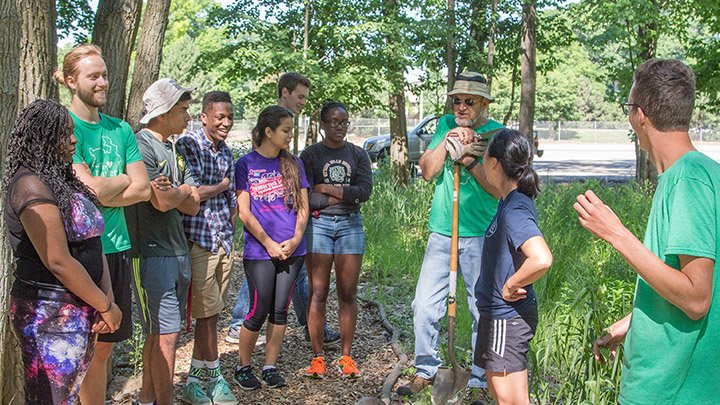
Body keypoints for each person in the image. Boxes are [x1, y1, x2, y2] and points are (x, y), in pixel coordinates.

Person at [575, 59, 720, 404]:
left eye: (628, 107)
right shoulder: (705, 173)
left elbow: (698, 298)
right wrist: (632, 322)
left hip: (670, 390)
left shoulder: (688, 181)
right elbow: (692, 282)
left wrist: (616, 233)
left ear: (639, 115)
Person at [3, 100, 122, 404]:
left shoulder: (64, 181)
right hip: (49, 313)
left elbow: (94, 241)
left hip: (82, 310)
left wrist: (104, 300)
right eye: (63, 134)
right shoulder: (30, 186)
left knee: (68, 397)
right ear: (40, 137)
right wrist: (105, 307)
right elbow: (57, 260)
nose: (73, 140)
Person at [54, 43, 151, 404]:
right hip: (82, 253)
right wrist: (120, 182)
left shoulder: (120, 129)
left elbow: (142, 189)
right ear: (70, 81)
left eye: (104, 75)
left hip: (118, 246)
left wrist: (108, 187)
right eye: (93, 75)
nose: (102, 82)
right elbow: (88, 189)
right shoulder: (64, 127)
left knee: (106, 345)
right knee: (83, 347)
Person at [398, 72, 503, 396]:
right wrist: (448, 141)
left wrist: (469, 161)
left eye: (468, 101)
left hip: (479, 234)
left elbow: (499, 189)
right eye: (456, 100)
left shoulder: (497, 134)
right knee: (424, 305)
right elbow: (428, 172)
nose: (460, 106)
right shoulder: (444, 125)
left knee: (479, 307)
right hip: (443, 232)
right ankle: (426, 368)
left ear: (483, 103)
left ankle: (477, 377)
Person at [228, 72, 340, 345]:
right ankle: (241, 320)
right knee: (264, 273)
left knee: (295, 272)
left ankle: (310, 325)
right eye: (300, 96)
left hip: (290, 218)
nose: (303, 102)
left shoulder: (290, 125)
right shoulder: (271, 123)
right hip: (268, 222)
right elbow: (257, 169)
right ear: (285, 92)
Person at [131, 78, 200, 405]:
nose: (188, 116)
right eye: (182, 109)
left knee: (159, 336)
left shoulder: (177, 147)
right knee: (166, 337)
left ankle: (145, 400)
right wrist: (177, 193)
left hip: (178, 250)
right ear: (161, 113)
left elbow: (193, 202)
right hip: (151, 253)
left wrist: (178, 190)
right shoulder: (141, 145)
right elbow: (158, 202)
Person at [472, 129, 552, 405]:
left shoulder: (514, 209)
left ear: (494, 163)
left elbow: (541, 258)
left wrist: (512, 284)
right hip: (499, 317)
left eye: (483, 158)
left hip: (506, 318)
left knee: (511, 401)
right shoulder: (511, 200)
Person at [233, 106, 309, 390]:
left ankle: (270, 366)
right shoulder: (246, 164)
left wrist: (295, 239)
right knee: (257, 309)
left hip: (292, 251)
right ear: (268, 131)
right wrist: (268, 243)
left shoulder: (294, 164)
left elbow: (303, 207)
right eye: (286, 131)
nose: (290, 136)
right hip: (259, 252)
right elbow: (244, 212)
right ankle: (243, 366)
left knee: (280, 310)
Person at [175, 91, 238, 405]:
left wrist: (232, 234)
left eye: (229, 117)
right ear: (204, 117)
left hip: (223, 240)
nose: (225, 123)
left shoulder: (226, 151)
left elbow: (232, 201)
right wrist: (222, 185)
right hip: (199, 240)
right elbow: (193, 193)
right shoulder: (189, 143)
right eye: (219, 117)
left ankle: (193, 382)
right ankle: (213, 378)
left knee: (212, 315)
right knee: (206, 314)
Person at [301, 101, 372, 379]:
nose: (339, 127)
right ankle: (317, 357)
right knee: (318, 291)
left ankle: (346, 357)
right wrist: (344, 193)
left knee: (347, 292)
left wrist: (327, 189)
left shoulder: (357, 154)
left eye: (343, 122)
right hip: (318, 225)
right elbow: (307, 196)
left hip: (350, 225)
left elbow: (364, 191)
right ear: (322, 124)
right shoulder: (311, 155)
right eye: (333, 122)